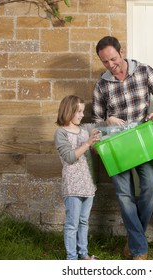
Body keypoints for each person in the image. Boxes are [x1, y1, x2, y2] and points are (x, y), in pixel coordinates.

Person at [92, 36, 153, 260]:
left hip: (141, 141)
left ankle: (134, 239)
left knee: (152, 187)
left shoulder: (144, 71)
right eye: (105, 62)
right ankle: (139, 249)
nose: (110, 65)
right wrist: (107, 122)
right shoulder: (101, 84)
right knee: (124, 195)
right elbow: (96, 120)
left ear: (121, 51)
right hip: (116, 146)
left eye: (113, 59)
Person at [54, 95, 104, 260]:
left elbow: (90, 154)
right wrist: (88, 143)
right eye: (79, 111)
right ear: (69, 111)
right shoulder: (61, 133)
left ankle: (83, 255)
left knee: (83, 222)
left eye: (83, 111)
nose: (82, 115)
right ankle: (71, 258)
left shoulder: (84, 131)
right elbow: (69, 157)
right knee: (72, 224)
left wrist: (96, 144)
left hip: (88, 183)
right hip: (73, 185)